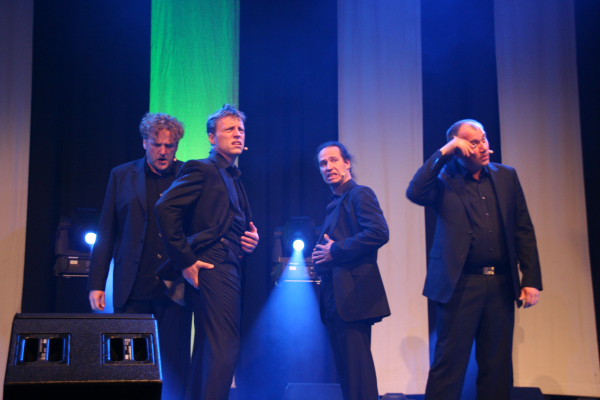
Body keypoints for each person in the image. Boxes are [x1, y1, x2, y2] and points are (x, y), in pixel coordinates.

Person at [406, 119, 543, 400]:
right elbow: (415, 191)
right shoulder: (444, 179)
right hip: (460, 283)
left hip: (501, 284)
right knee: (449, 363)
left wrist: (530, 278)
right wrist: (446, 150)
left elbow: (523, 228)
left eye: (484, 139)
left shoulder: (506, 176)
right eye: (473, 142)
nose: (483, 147)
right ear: (459, 147)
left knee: (497, 366)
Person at [155, 104, 259, 400]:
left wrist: (249, 240)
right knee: (224, 347)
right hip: (214, 264)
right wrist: (185, 260)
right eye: (229, 129)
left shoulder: (233, 176)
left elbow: (230, 222)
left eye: (240, 129)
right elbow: (165, 207)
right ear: (212, 138)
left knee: (210, 348)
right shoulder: (202, 168)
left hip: (229, 263)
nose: (237, 134)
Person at [88, 112, 192, 400]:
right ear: (145, 143)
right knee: (128, 364)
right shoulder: (121, 175)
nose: (163, 151)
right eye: (157, 144)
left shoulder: (188, 176)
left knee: (175, 367)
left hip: (174, 289)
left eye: (169, 146)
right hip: (132, 286)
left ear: (176, 146)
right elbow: (107, 230)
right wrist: (96, 283)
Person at [311, 141, 390, 400]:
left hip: (353, 296)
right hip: (336, 295)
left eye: (333, 160)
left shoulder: (359, 194)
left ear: (347, 163)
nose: (328, 167)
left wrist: (336, 250)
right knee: (346, 371)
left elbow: (379, 232)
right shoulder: (334, 203)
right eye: (323, 163)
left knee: (357, 370)